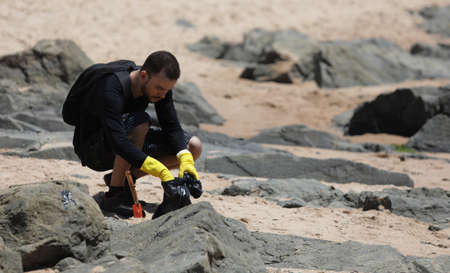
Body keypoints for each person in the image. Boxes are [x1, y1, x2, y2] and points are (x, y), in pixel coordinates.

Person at [64, 51, 202, 212]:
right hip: (94, 150)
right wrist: (160, 171)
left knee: (193, 146)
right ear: (143, 75)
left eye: (167, 90)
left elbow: (171, 127)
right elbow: (118, 141)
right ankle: (115, 195)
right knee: (140, 123)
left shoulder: (159, 88)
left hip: (126, 140)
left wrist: (185, 157)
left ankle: (128, 178)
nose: (163, 94)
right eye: (159, 88)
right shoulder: (110, 88)